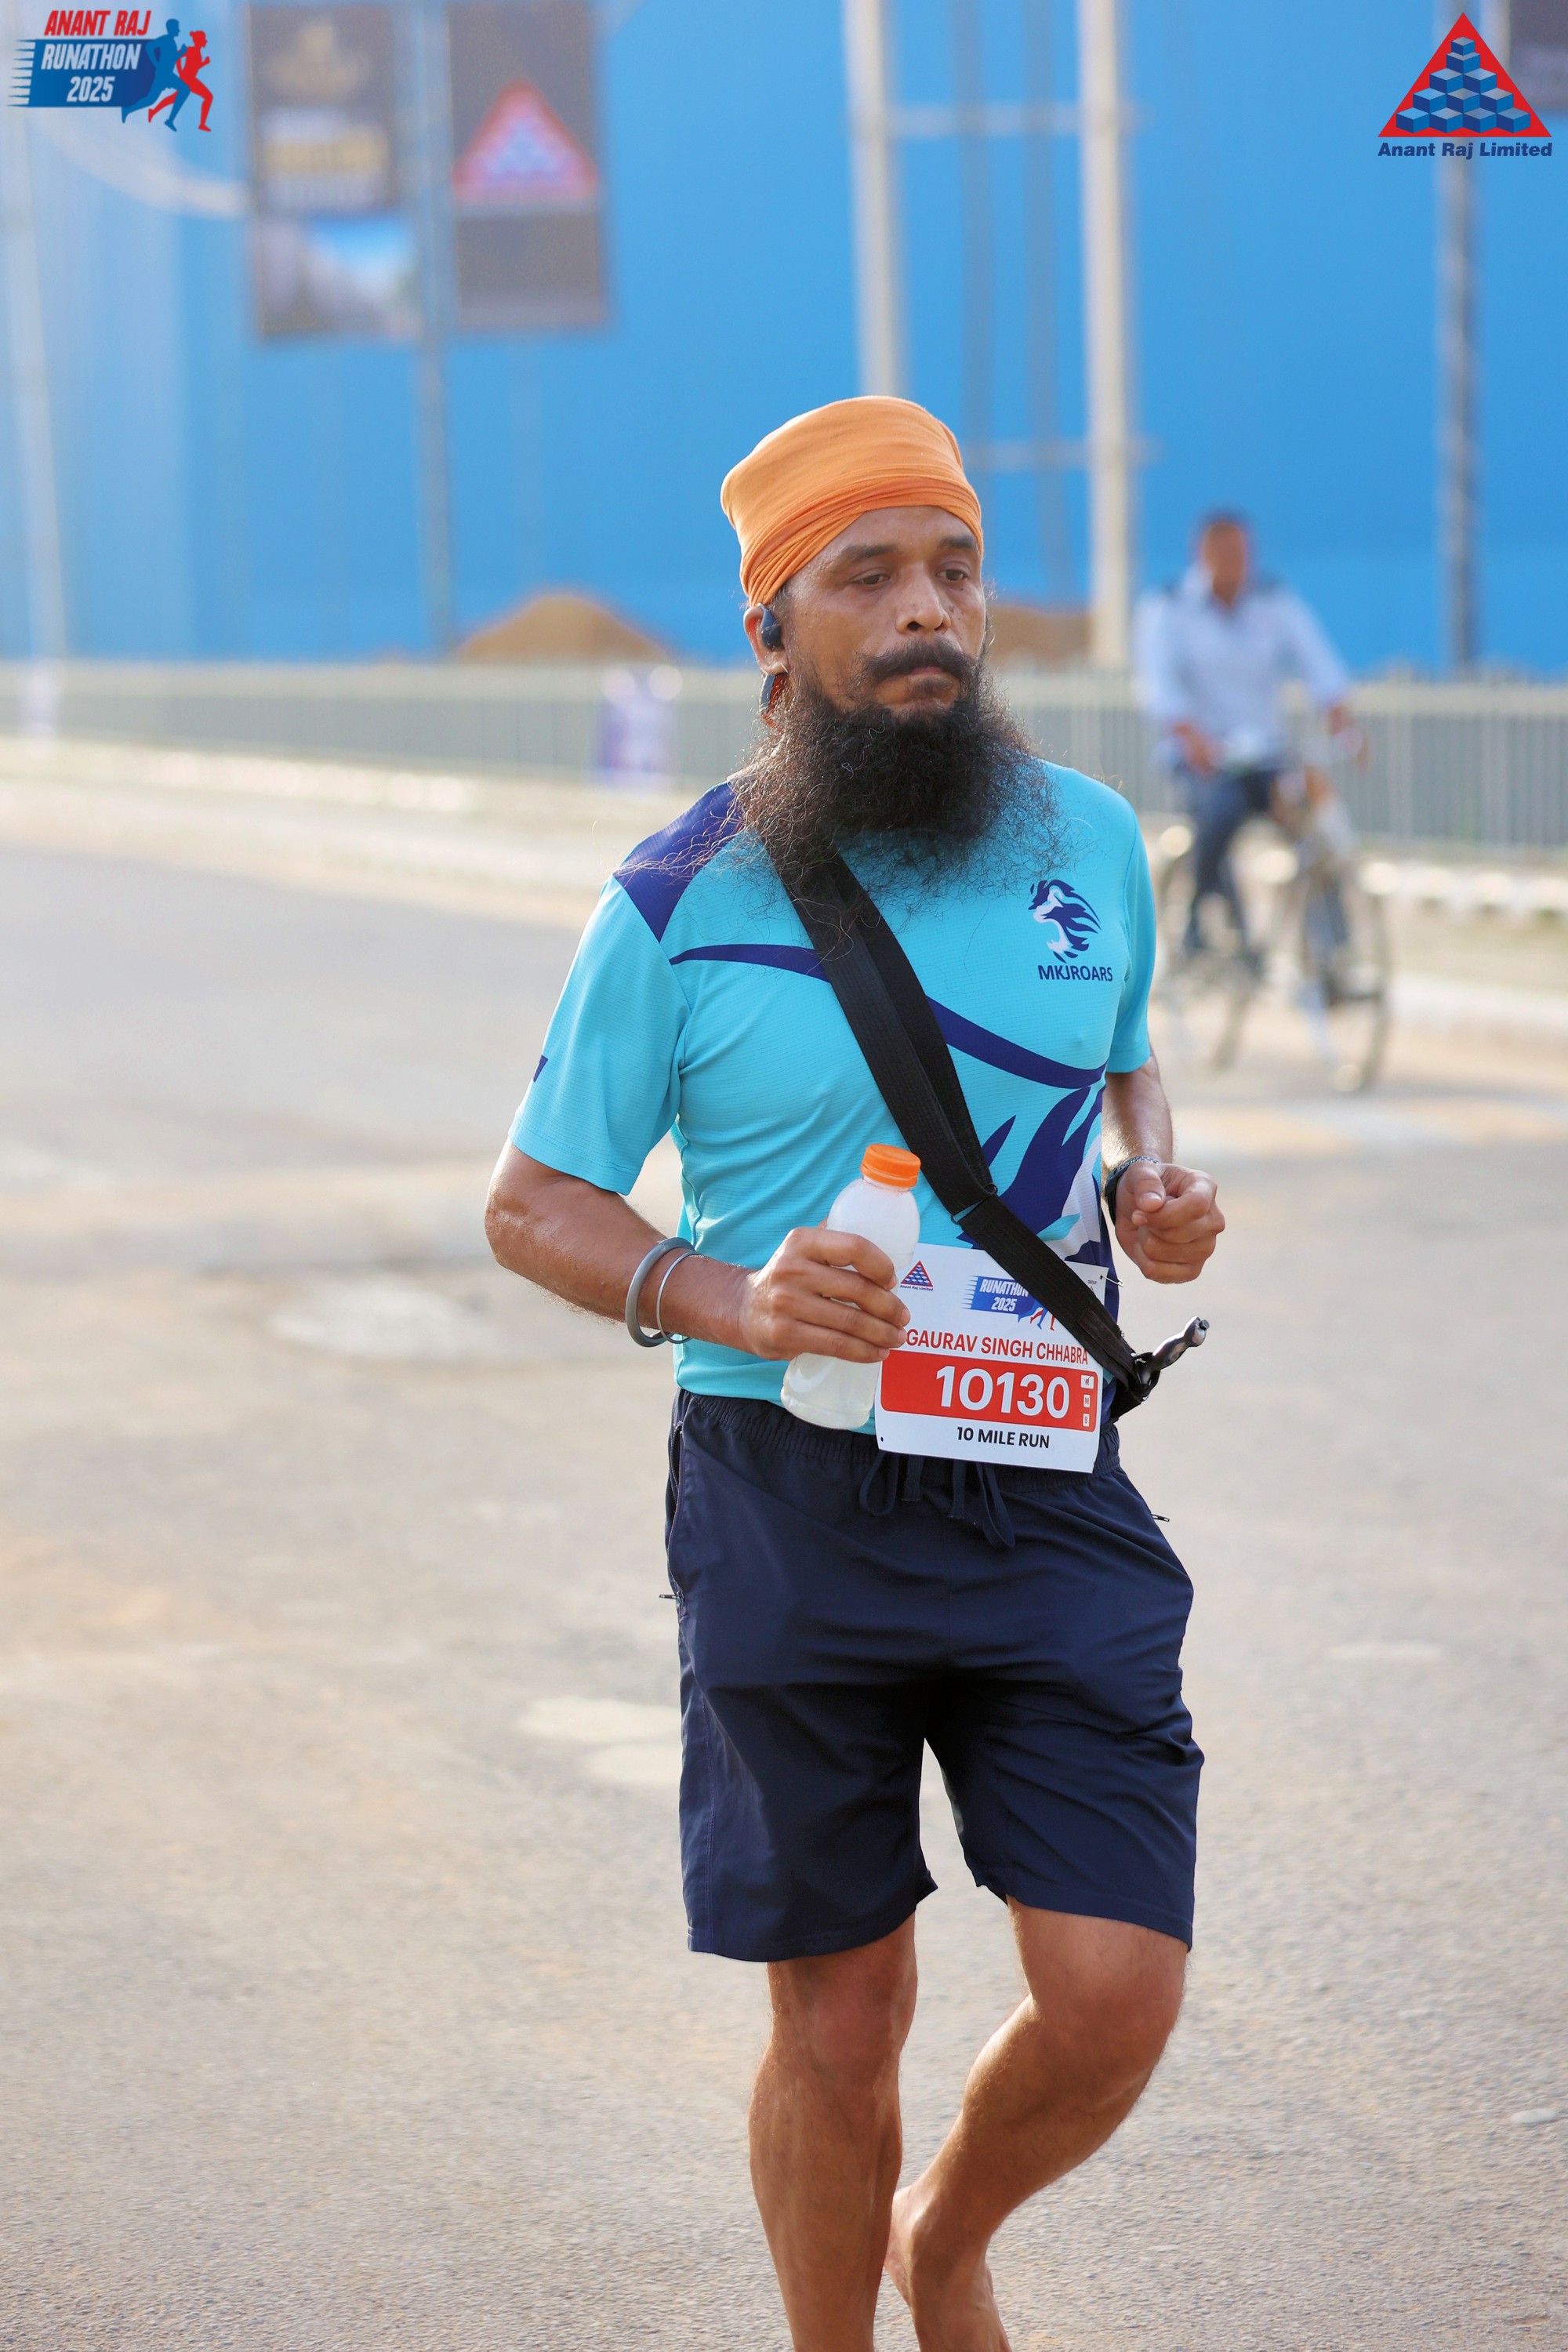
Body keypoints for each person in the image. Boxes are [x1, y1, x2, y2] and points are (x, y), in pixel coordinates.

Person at [486, 396, 1225, 2352]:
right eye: (868, 575)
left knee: (1113, 1990)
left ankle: (946, 2238)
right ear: (772, 625)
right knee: (839, 2014)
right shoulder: (677, 898)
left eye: (953, 569)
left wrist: (1150, 1176)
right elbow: (531, 1203)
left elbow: (1126, 1052)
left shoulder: (1085, 838)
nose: (925, 612)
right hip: (786, 1490)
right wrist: (727, 1297)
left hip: (1042, 1469)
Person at [1134, 512, 1356, 960]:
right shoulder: (1169, 608)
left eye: (1241, 553)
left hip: (1265, 756)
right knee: (1220, 813)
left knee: (1319, 828)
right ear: (1203, 554)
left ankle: (1337, 949)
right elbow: (1159, 685)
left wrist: (1340, 716)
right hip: (1203, 759)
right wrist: (1189, 734)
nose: (1235, 563)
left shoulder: (1273, 603)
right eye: (1225, 554)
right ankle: (1200, 920)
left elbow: (1318, 661)